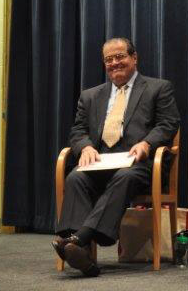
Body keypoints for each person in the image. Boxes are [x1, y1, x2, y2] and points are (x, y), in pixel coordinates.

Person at [52, 37, 180, 276]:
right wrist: (86, 147)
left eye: (120, 56)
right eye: (108, 59)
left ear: (134, 58)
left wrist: (147, 143)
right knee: (75, 178)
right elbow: (78, 131)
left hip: (141, 163)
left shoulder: (158, 88)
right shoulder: (90, 96)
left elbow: (168, 123)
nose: (114, 63)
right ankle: (81, 254)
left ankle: (75, 240)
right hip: (101, 163)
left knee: (125, 176)